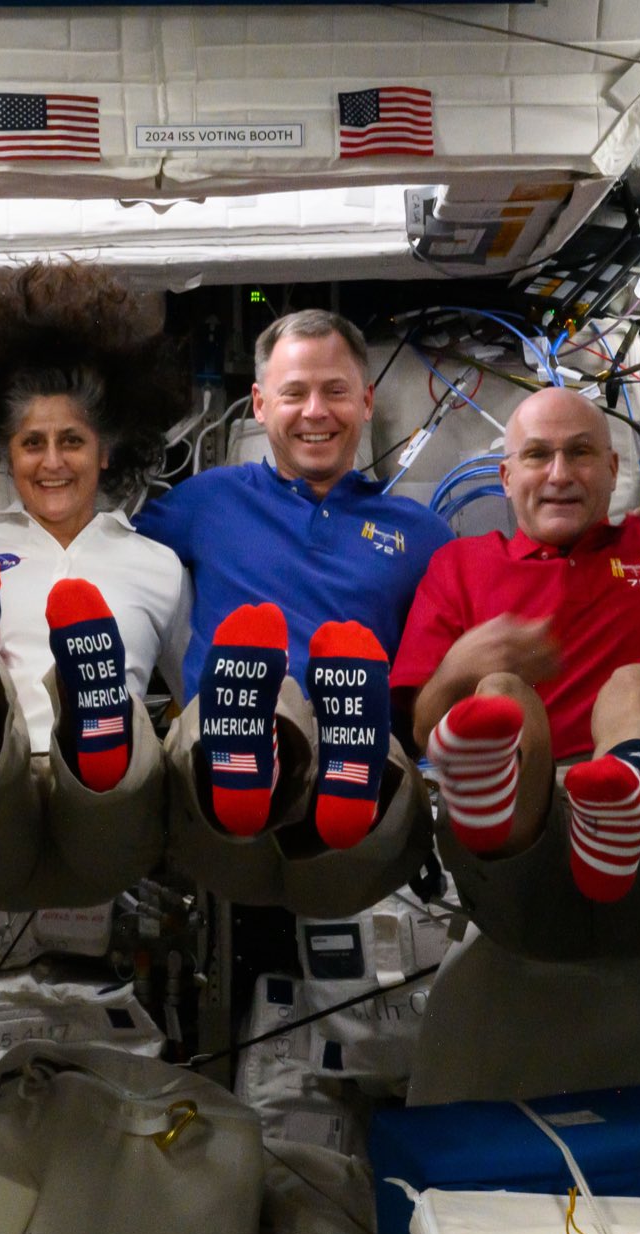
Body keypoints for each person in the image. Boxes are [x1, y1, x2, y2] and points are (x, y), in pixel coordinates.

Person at [391, 384, 640, 960]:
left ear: (613, 468)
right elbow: (422, 728)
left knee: (636, 687)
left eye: (580, 452)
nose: (559, 473)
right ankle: (503, 806)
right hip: (520, 866)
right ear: (505, 476)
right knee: (500, 695)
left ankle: (623, 791)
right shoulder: (461, 568)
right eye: (536, 455)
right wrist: (460, 667)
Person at [0, 261, 189, 909]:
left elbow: (191, 700)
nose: (52, 462)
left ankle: (96, 719)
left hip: (109, 819)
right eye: (33, 443)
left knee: (116, 767)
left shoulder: (158, 564)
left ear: (105, 450)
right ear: (8, 452)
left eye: (72, 440)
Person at [131, 310, 452, 917]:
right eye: (294, 393)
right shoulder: (206, 501)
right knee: (259, 691)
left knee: (366, 739)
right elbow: (93, 547)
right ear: (258, 404)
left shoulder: (422, 535)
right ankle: (254, 746)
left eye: (335, 391)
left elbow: (497, 585)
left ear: (365, 401)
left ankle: (343, 758)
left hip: (356, 807)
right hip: (216, 792)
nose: (315, 412)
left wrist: (632, 530)